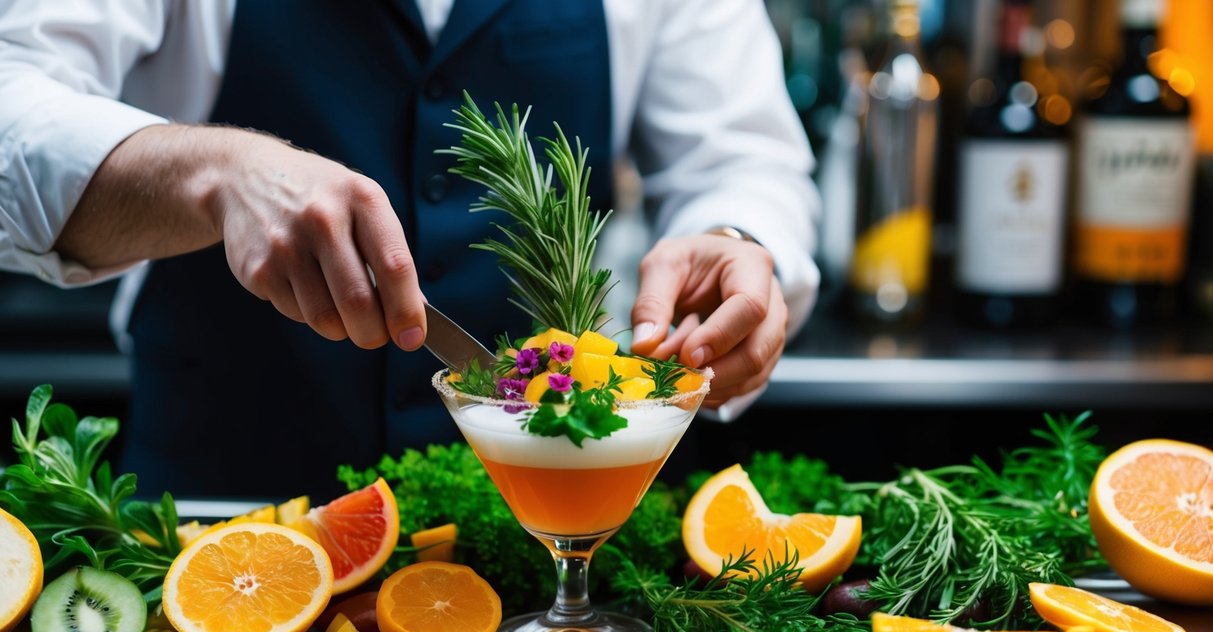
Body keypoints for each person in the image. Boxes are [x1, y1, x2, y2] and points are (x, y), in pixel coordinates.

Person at [0, 0, 821, 502]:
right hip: (227, 524)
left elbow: (742, 161)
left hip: (543, 562)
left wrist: (736, 239)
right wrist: (214, 171)